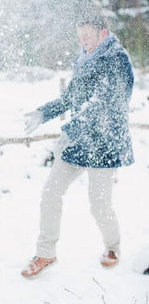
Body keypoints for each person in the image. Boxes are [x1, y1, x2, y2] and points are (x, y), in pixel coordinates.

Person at [21, 15, 134, 278]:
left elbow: (106, 104)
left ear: (102, 34)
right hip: (80, 143)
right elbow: (70, 98)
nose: (83, 42)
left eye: (87, 36)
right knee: (50, 192)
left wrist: (70, 130)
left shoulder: (117, 60)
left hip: (105, 144)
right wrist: (42, 113)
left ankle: (113, 247)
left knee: (99, 206)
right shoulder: (83, 60)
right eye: (79, 37)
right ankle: (45, 252)